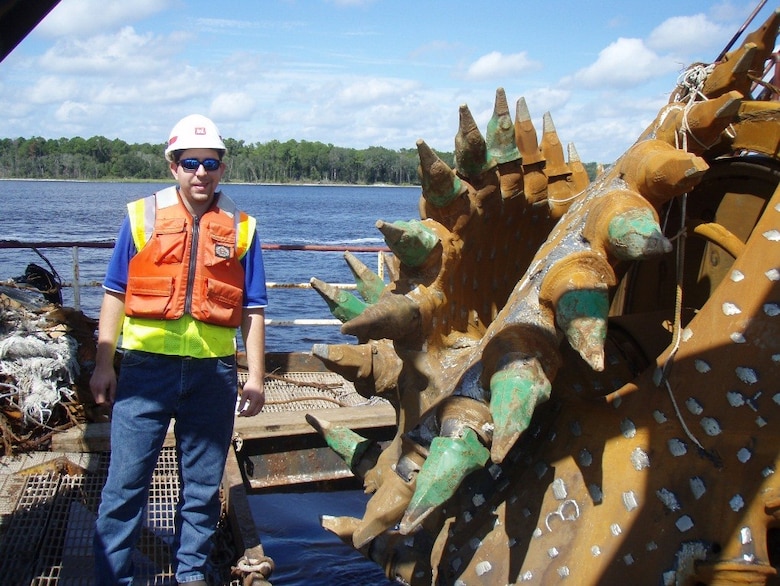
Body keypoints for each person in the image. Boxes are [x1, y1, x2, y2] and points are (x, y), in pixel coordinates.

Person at [90, 114, 268, 585]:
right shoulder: (141, 217)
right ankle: (112, 578)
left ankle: (190, 576)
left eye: (211, 163)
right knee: (124, 486)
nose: (201, 173)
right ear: (173, 165)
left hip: (213, 375)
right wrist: (104, 364)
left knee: (203, 490)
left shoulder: (242, 227)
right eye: (190, 162)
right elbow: (113, 292)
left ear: (222, 167)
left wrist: (254, 376)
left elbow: (253, 308)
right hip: (147, 373)